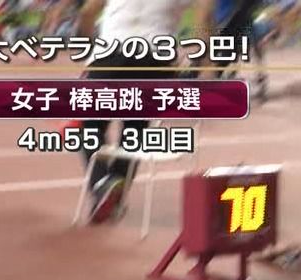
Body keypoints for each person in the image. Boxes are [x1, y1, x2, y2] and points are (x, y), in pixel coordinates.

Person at [76, 0, 213, 224]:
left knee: (89, 126)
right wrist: (204, 64)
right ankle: (115, 188)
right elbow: (203, 17)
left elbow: (87, 12)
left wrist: (88, 48)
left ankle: (102, 183)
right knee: (135, 129)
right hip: (156, 61)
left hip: (110, 54)